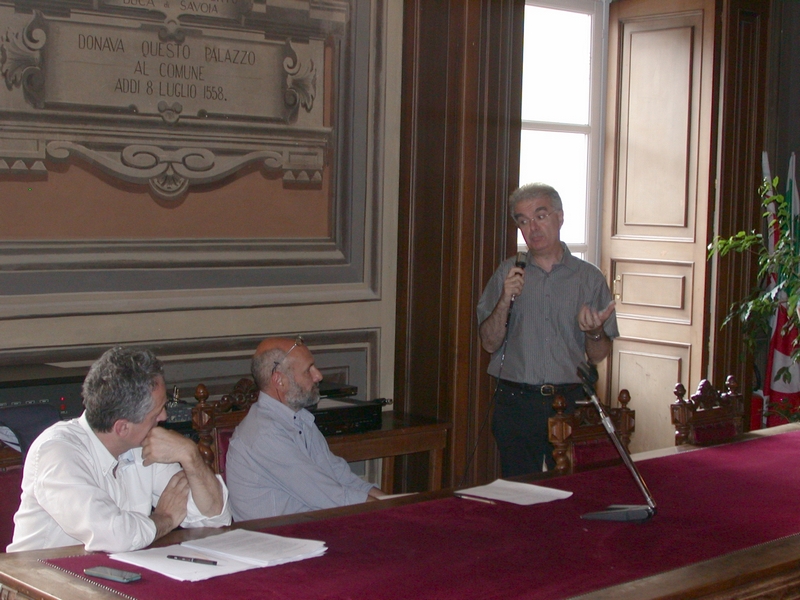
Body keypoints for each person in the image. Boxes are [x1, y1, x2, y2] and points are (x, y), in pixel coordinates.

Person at [8, 347, 231, 553]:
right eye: (157, 413)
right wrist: (164, 518)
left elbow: (213, 517)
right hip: (38, 585)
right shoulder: (57, 452)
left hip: (108, 578)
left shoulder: (143, 444)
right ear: (123, 427)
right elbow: (114, 536)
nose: (164, 417)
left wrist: (190, 455)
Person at [477, 183, 619, 477]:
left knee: (570, 488)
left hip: (568, 401)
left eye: (540, 216)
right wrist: (504, 300)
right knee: (519, 491)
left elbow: (599, 354)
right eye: (523, 220)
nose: (533, 228)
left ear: (560, 217)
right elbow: (489, 343)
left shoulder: (588, 278)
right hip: (516, 402)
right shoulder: (507, 273)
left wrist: (594, 332)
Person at [226, 336, 385, 520]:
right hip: (276, 541)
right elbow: (328, 495)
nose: (319, 376)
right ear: (280, 381)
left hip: (308, 531)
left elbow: (340, 476)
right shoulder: (264, 434)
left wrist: (392, 502)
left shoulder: (299, 418)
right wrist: (390, 513)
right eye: (308, 370)